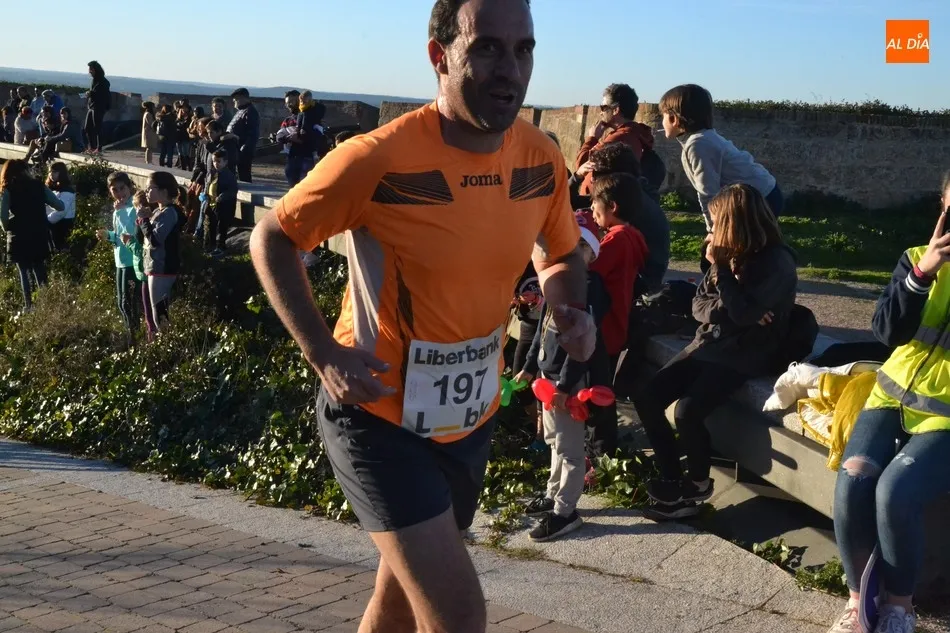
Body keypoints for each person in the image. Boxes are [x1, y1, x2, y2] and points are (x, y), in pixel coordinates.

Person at [248, 1, 595, 631]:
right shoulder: (378, 158)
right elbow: (272, 238)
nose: (510, 69)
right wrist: (323, 353)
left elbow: (560, 250)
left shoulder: (539, 157)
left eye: (523, 50)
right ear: (440, 56)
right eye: (486, 47)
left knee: (399, 604)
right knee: (458, 614)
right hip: (377, 416)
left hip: (468, 419)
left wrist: (570, 306)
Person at [825, 172, 950, 633]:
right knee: (854, 479)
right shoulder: (917, 258)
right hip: (890, 396)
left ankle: (899, 607)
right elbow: (885, 332)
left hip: (945, 418)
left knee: (895, 491)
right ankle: (858, 601)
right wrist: (922, 275)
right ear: (942, 206)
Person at [633, 184, 797, 521]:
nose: (710, 228)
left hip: (744, 355)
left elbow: (740, 314)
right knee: (648, 397)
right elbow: (699, 306)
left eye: (715, 221)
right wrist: (735, 306)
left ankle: (697, 484)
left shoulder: (776, 263)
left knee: (687, 412)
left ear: (732, 222)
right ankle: (671, 477)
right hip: (707, 344)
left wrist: (725, 278)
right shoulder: (727, 254)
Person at [517, 210, 611, 542]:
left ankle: (565, 510)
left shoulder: (589, 290)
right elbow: (542, 329)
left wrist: (566, 386)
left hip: (569, 384)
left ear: (590, 253)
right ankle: (553, 491)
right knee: (554, 440)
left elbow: (582, 347)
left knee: (570, 449)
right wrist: (531, 366)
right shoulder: (555, 282)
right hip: (548, 377)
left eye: (578, 248)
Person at [659, 84, 783, 273]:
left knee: (739, 254)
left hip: (759, 200)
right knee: (744, 254)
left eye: (663, 116)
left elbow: (708, 192)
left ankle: (745, 285)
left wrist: (713, 231)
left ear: (674, 119)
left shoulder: (698, 144)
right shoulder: (702, 139)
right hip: (761, 194)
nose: (661, 122)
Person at [587, 173, 649, 456]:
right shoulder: (633, 236)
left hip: (603, 327)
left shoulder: (616, 240)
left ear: (612, 206)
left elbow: (588, 270)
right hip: (616, 324)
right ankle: (601, 449)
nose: (591, 208)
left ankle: (601, 452)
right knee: (602, 389)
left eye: (594, 202)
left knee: (597, 393)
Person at [0, 160, 64, 310]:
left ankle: (29, 307)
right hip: (39, 232)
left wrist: (7, 228)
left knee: (24, 271)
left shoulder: (8, 189)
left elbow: (3, 217)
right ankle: (46, 305)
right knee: (39, 269)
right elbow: (60, 206)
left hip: (18, 235)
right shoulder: (39, 186)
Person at [575, 83, 655, 198]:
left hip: (598, 201)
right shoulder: (634, 134)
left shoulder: (619, 138)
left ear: (615, 110)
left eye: (603, 107)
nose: (601, 112)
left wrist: (592, 138)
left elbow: (582, 164)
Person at [139, 172, 184, 331]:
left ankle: (167, 341)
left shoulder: (169, 213)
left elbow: (156, 240)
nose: (146, 191)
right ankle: (164, 340)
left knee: (160, 313)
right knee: (156, 312)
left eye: (150, 188)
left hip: (162, 267)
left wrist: (144, 220)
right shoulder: (158, 211)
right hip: (154, 267)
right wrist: (143, 220)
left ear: (164, 191)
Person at [97, 172, 141, 334]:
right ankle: (131, 334)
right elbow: (119, 235)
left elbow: (131, 232)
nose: (119, 193)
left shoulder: (133, 207)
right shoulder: (118, 208)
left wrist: (121, 212)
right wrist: (108, 235)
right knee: (121, 303)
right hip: (120, 260)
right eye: (114, 190)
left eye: (122, 188)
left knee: (128, 303)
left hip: (131, 261)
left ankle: (135, 335)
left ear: (129, 187)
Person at [126, 191, 157, 342]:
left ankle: (154, 339)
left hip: (147, 269)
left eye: (138, 207)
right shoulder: (150, 220)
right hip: (147, 269)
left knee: (150, 310)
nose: (137, 211)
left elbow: (142, 248)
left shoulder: (145, 222)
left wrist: (129, 242)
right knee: (151, 309)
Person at [285, 91, 328, 186]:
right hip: (294, 155)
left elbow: (317, 134)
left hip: (307, 155)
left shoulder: (313, 115)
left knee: (304, 184)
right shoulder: (290, 119)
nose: (289, 105)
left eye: (292, 102)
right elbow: (281, 134)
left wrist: (301, 136)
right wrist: (288, 136)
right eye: (287, 103)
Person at [203, 149, 238, 257]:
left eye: (219, 161)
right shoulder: (211, 173)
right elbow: (207, 185)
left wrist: (223, 196)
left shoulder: (229, 175)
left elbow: (233, 190)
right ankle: (211, 245)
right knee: (211, 226)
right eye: (214, 161)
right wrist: (205, 194)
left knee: (222, 227)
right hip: (211, 205)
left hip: (224, 206)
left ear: (225, 162)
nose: (216, 164)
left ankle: (221, 247)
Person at [226, 88, 260, 182]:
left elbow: (253, 134)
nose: (234, 102)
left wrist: (243, 150)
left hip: (242, 151)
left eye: (236, 100)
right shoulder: (241, 111)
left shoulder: (250, 112)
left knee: (244, 177)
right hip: (235, 149)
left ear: (243, 98)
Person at [45, 162, 76, 252]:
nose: (51, 174)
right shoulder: (51, 187)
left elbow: (62, 211)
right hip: (52, 224)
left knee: (61, 251)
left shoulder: (67, 190)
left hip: (62, 225)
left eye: (54, 172)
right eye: (50, 171)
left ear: (61, 173)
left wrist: (47, 221)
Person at [84, 61, 111, 153]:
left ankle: (99, 148)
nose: (89, 72)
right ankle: (92, 147)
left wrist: (91, 93)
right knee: (87, 127)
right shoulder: (94, 80)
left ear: (95, 70)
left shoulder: (103, 81)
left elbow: (102, 95)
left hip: (99, 107)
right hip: (92, 106)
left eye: (91, 69)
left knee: (98, 127)